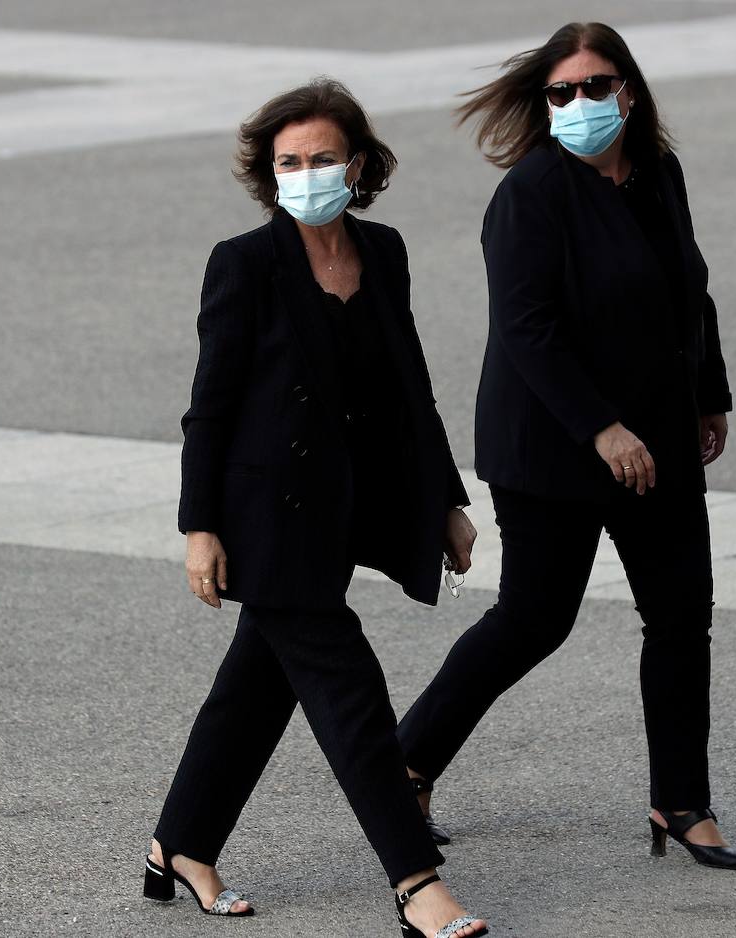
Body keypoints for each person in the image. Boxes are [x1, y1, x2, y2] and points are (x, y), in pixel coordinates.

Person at [395, 22, 736, 872]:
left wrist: (709, 397)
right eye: (562, 91)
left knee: (681, 619)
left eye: (597, 86)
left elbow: (689, 294)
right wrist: (602, 427)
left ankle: (682, 803)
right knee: (533, 620)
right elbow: (528, 330)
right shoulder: (530, 193)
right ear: (544, 101)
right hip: (554, 447)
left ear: (628, 92)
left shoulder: (659, 175)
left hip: (659, 442)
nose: (581, 103)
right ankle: (404, 764)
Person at [144, 78, 491, 938]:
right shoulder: (245, 264)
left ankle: (178, 845)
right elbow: (209, 408)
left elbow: (412, 387)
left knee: (254, 693)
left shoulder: (385, 252)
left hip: (339, 515)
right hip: (265, 520)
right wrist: (199, 530)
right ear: (270, 173)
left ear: (358, 163)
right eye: (289, 161)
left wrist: (445, 499)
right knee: (351, 693)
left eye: (323, 158)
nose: (306, 173)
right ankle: (417, 884)